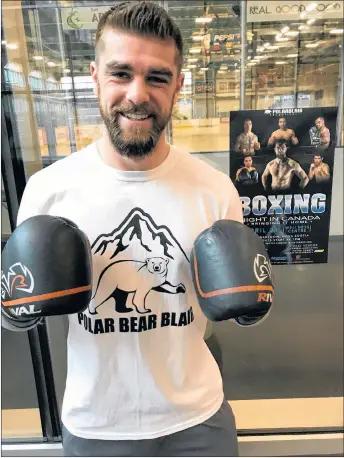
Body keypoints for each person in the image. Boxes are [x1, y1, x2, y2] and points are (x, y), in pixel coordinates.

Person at [16, 2, 243, 456]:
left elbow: (229, 304)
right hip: (97, 425)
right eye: (121, 73)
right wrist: (15, 305)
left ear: (177, 86)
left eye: (156, 77)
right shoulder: (49, 191)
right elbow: (18, 312)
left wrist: (252, 304)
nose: (137, 94)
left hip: (199, 420)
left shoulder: (215, 190)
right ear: (96, 76)